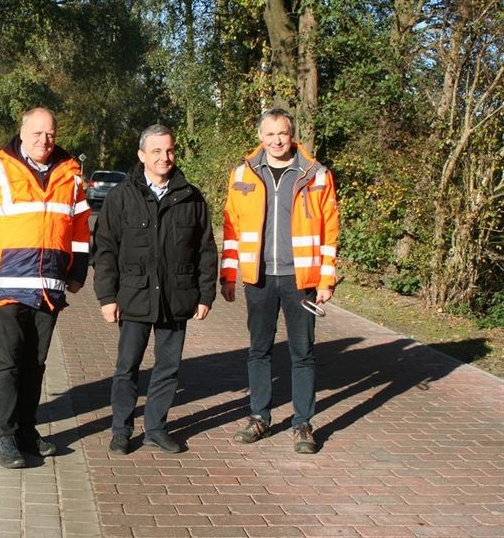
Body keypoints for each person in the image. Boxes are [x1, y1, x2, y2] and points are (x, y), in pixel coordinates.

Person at [0, 107, 90, 469]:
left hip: (48, 286)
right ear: (22, 132)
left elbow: (79, 230)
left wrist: (77, 271)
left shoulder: (72, 175)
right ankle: (3, 437)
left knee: (36, 363)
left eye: (49, 134)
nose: (43, 141)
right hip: (5, 285)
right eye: (36, 133)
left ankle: (27, 431)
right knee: (8, 364)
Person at [220, 107, 339, 454]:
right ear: (260, 137)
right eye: (270, 134)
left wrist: (326, 280)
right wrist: (229, 275)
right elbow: (232, 228)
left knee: (303, 353)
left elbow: (330, 230)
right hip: (258, 278)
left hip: (300, 278)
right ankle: (260, 417)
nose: (276, 140)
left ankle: (303, 424)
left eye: (282, 134)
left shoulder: (316, 174)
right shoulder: (243, 172)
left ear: (292, 135)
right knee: (259, 350)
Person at [93, 124, 217, 455]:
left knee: (168, 367)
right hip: (133, 295)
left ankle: (156, 428)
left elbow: (206, 249)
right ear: (142, 155)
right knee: (127, 368)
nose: (165, 157)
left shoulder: (191, 196)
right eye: (157, 151)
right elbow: (104, 249)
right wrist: (106, 297)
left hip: (177, 296)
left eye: (170, 150)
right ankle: (121, 430)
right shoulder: (122, 196)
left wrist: (206, 294)